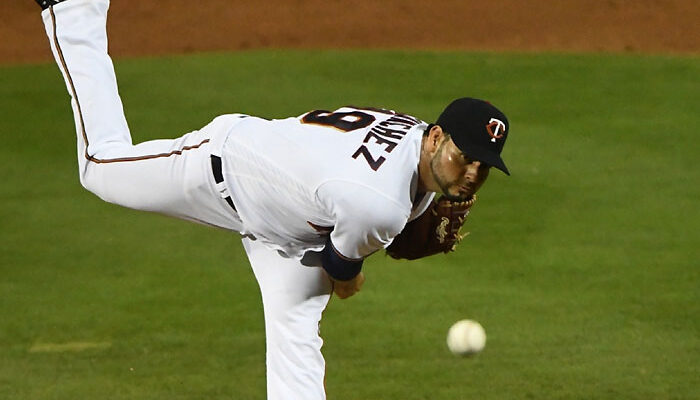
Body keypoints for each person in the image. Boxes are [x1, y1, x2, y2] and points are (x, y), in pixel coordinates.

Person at [35, 0, 510, 398]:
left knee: (296, 348)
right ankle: (75, 11)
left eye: (483, 166)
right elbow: (342, 272)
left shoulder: (413, 132)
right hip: (224, 170)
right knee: (99, 167)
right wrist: (363, 266)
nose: (472, 174)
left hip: (294, 227)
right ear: (436, 138)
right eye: (464, 157)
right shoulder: (378, 205)